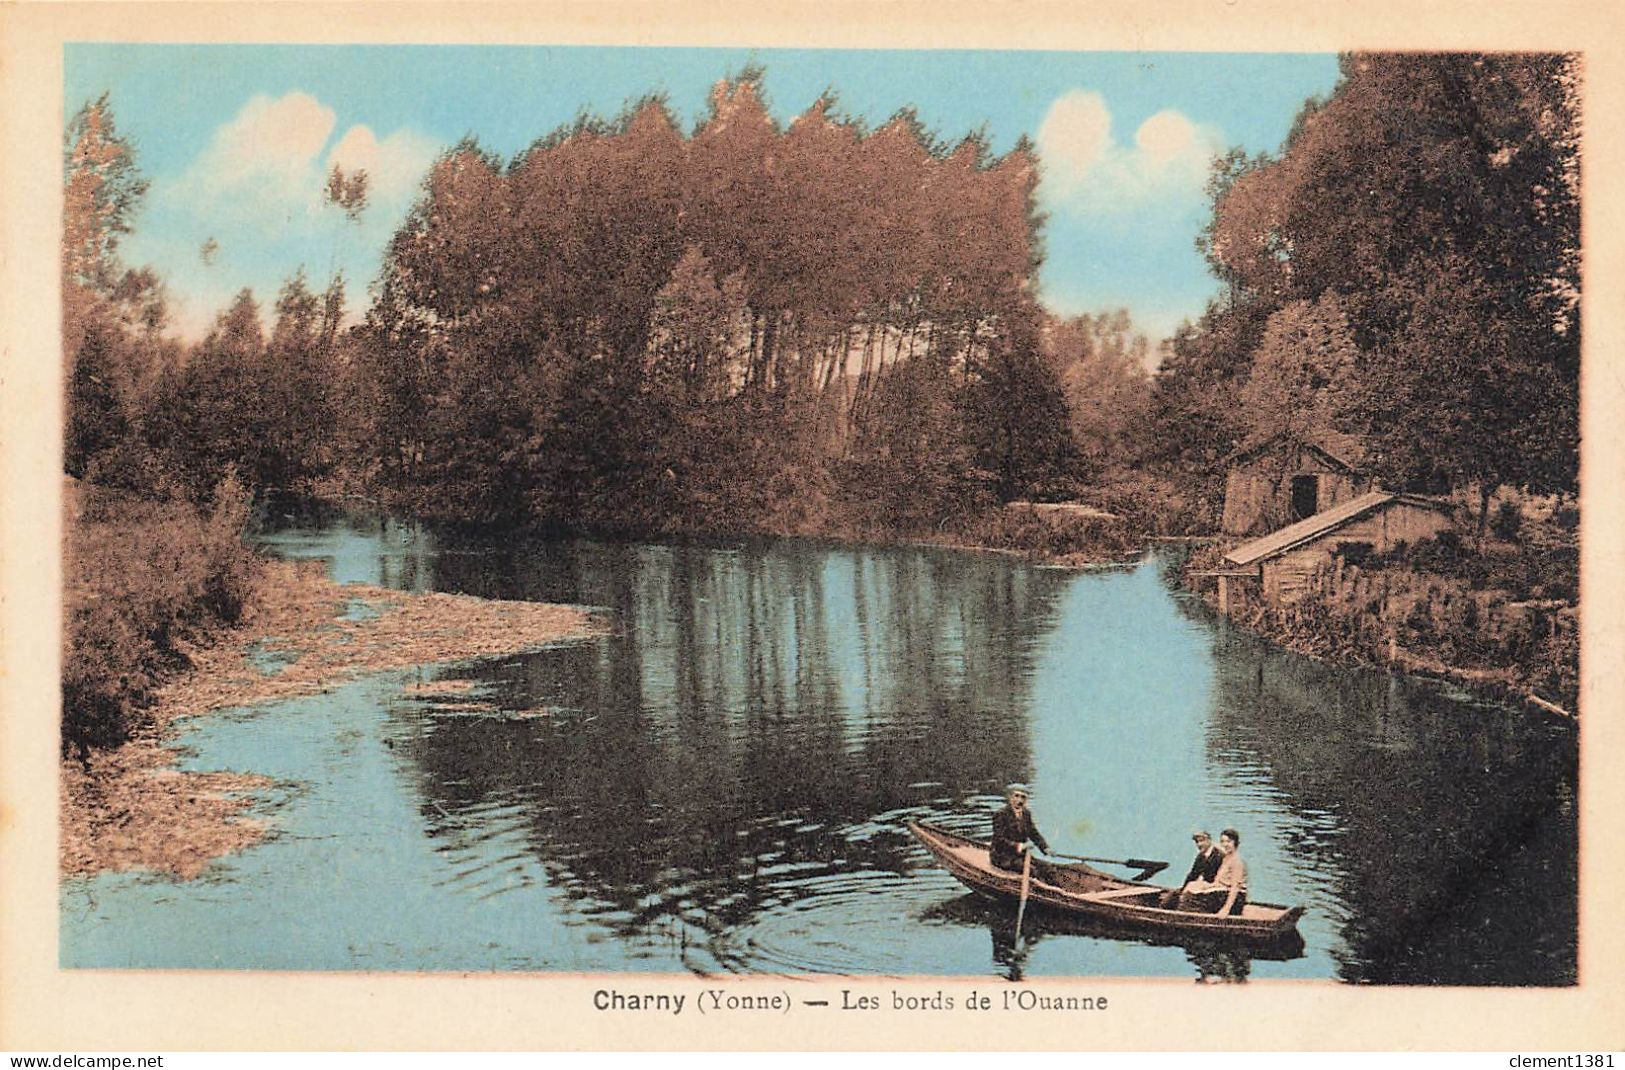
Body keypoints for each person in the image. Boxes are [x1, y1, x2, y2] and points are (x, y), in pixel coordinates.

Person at [1182, 828, 1248, 915]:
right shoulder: (1226, 858)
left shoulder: (1237, 862)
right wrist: (1204, 886)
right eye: (1222, 841)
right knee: (1191, 888)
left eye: (1228, 842)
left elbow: (1235, 888)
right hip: (1222, 893)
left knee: (1190, 899)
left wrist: (1226, 909)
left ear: (1235, 843)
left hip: (1234, 898)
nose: (1225, 844)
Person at [990, 784, 1050, 874]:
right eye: (1016, 796)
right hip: (1002, 857)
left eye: (1023, 797)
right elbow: (999, 840)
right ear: (1010, 797)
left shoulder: (1026, 813)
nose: (1020, 800)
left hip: (1020, 855)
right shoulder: (1000, 815)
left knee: (1047, 868)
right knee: (1032, 871)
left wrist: (1045, 848)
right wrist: (1020, 846)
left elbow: (1033, 833)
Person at [1162, 830, 1224, 908]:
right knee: (1173, 895)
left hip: (1214, 890)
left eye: (1202, 841)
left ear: (1209, 840)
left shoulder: (1219, 855)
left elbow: (1220, 877)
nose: (1199, 844)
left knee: (1185, 899)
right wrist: (1183, 889)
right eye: (1197, 842)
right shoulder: (1201, 856)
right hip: (1203, 887)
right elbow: (1193, 874)